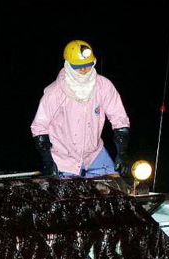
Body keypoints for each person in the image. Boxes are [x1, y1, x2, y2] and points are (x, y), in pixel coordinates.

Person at [30, 40, 132, 178]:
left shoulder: (104, 87)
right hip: (63, 159)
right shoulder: (54, 92)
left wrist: (122, 153)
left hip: (95, 155)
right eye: (79, 67)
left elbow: (119, 118)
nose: (84, 70)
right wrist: (47, 160)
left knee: (116, 189)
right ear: (68, 65)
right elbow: (39, 127)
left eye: (88, 65)